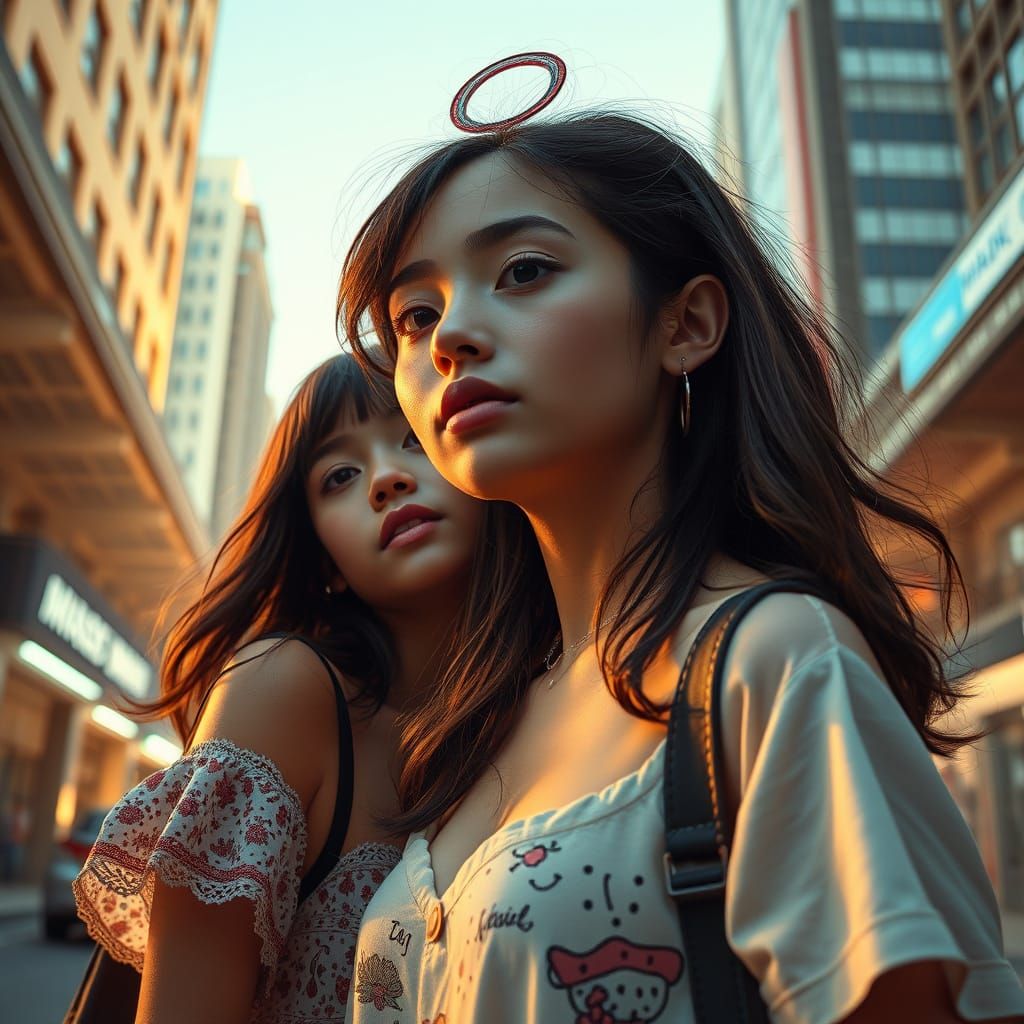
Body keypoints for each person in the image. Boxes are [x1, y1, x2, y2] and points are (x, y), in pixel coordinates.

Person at [336, 111, 1024, 1023]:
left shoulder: (775, 660)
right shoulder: (477, 710)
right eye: (414, 315)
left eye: (524, 272)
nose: (450, 335)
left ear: (687, 323)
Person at [73, 353, 485, 1023]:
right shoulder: (285, 690)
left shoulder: (558, 698)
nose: (386, 479)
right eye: (341, 475)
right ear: (325, 560)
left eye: (414, 435)